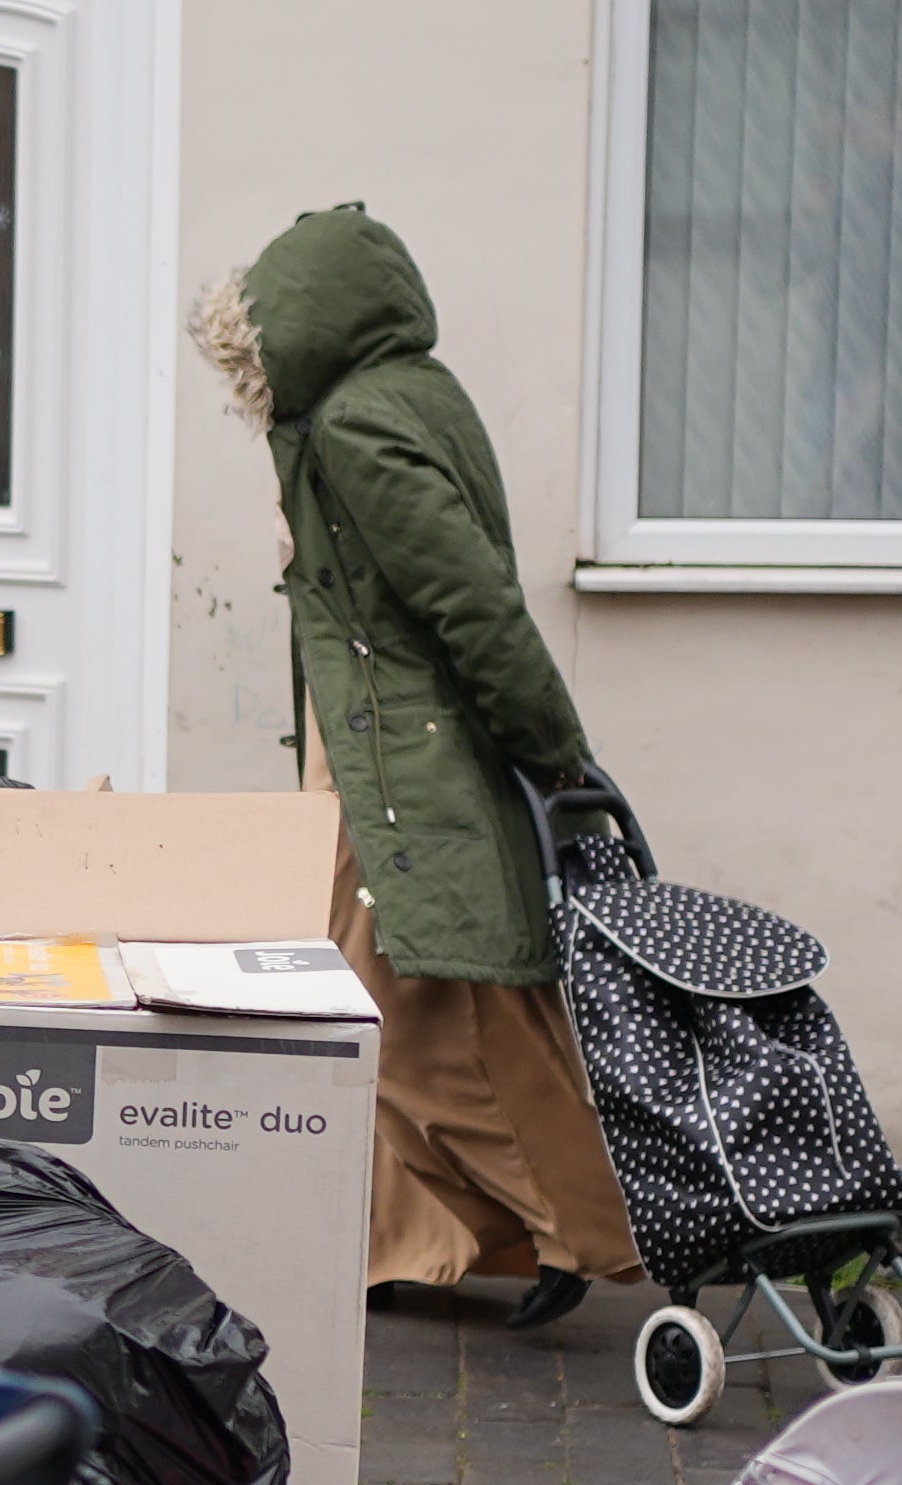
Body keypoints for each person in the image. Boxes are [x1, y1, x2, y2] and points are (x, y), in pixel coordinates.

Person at [206, 204, 639, 1327]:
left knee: (405, 1022)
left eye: (251, 342)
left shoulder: (355, 423)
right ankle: (419, 1244)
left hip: (401, 772)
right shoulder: (412, 395)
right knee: (410, 1011)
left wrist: (556, 749)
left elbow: (469, 602)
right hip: (387, 761)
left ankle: (589, 1229)